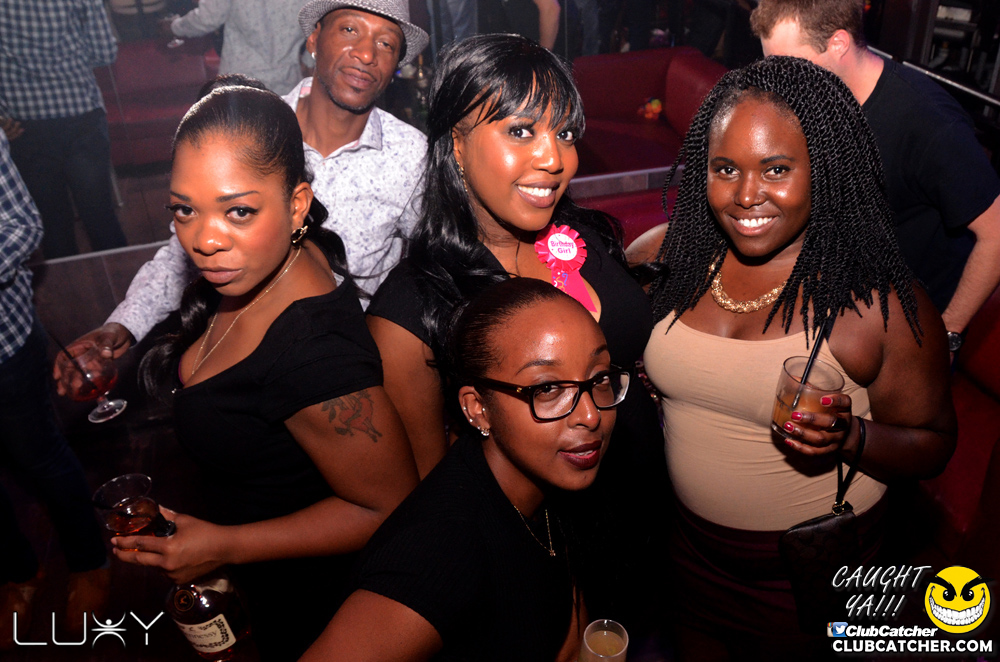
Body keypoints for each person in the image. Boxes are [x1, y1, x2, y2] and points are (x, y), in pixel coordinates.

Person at [632, 56, 957, 660]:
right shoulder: (667, 257)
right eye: (725, 169)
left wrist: (850, 436)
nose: (745, 195)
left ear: (824, 169)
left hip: (812, 574)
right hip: (687, 557)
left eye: (776, 169)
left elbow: (934, 443)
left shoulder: (877, 303)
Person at [109, 83, 420, 661]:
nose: (204, 240)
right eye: (184, 209)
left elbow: (387, 506)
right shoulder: (270, 263)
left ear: (297, 205)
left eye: (239, 211)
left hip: (317, 604)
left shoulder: (314, 354)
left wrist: (223, 546)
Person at [367, 32, 665, 628]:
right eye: (522, 130)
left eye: (566, 133)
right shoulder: (411, 310)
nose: (555, 159)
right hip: (555, 570)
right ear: (455, 142)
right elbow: (437, 503)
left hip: (652, 519)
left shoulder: (580, 238)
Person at [53, 0, 430, 380]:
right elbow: (184, 255)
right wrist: (123, 324)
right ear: (313, 39)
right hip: (248, 365)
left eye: (386, 44)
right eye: (349, 30)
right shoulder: (250, 134)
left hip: (349, 370)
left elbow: (435, 264)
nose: (366, 54)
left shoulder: (409, 155)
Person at [301, 277, 626, 662]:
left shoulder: (543, 477)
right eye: (547, 389)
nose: (590, 415)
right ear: (477, 408)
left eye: (599, 378)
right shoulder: (442, 553)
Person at [750, 0, 1000, 356]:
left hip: (905, 336)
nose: (778, 81)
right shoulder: (817, 100)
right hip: (833, 313)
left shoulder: (929, 123)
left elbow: (996, 234)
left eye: (788, 65)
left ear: (839, 43)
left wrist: (946, 335)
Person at [0, 131, 109, 649]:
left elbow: (23, 225)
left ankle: (89, 561)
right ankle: (17, 572)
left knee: (39, 456)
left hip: (4, 344)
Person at [0, 0, 128, 259]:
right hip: (81, 114)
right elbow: (104, 52)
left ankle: (67, 284)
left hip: (23, 124)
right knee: (100, 215)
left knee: (52, 222)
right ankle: (126, 282)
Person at [165, 0, 312, 96]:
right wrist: (308, 61)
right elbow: (320, 26)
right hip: (286, 82)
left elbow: (208, 18)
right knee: (280, 133)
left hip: (239, 83)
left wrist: (174, 26)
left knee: (238, 134)